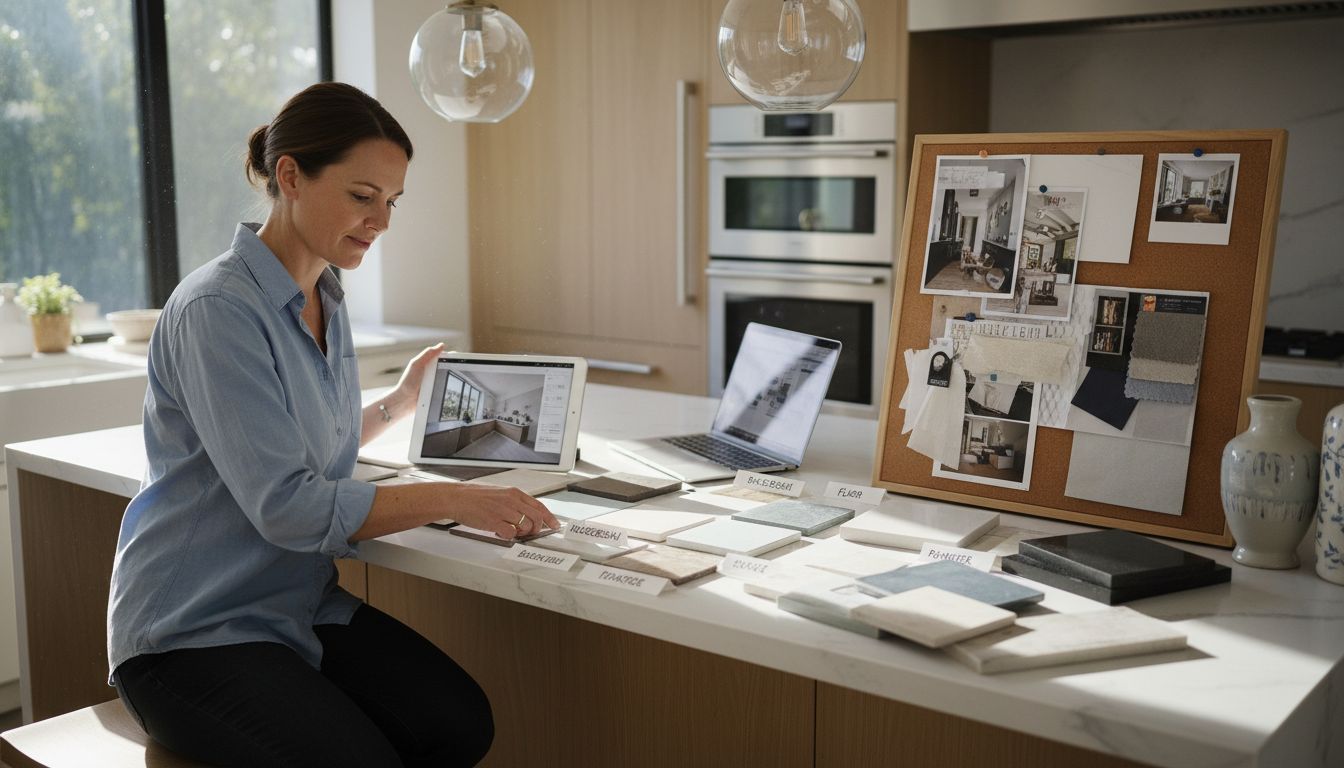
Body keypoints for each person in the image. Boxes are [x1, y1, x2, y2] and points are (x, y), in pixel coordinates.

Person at [106, 82, 560, 767]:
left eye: (391, 201)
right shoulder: (217, 310)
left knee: (458, 724)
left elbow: (314, 445)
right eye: (361, 195)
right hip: (190, 634)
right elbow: (288, 505)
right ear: (289, 176)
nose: (380, 220)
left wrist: (399, 403)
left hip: (296, 610)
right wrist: (461, 499)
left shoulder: (324, 295)